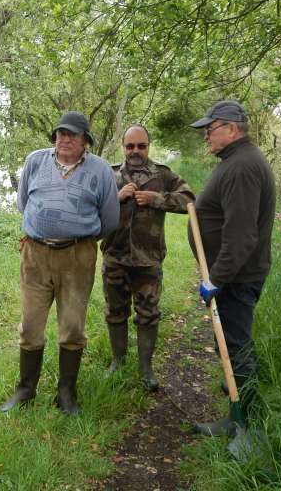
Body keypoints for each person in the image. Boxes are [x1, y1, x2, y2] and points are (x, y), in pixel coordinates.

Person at [0, 111, 120, 415]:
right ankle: (26, 390)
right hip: (35, 255)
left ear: (85, 141)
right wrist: (42, 230)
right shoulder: (35, 161)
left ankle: (66, 393)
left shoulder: (101, 170)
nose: (65, 139)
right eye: (61, 133)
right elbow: (23, 203)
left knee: (72, 326)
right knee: (30, 325)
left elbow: (109, 219)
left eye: (73, 135)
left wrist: (77, 237)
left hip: (78, 256)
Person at [187, 100, 275, 442]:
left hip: (237, 278)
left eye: (210, 130)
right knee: (235, 348)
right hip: (234, 276)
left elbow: (241, 235)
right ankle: (235, 415)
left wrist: (216, 279)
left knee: (238, 350)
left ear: (232, 129)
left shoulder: (241, 167)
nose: (206, 137)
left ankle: (248, 425)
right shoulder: (235, 161)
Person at [100, 125, 194, 391]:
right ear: (123, 147)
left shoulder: (162, 175)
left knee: (148, 314)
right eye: (130, 146)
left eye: (141, 146)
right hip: (115, 257)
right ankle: (118, 362)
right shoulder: (109, 174)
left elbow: (189, 200)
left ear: (148, 146)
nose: (135, 151)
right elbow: (91, 205)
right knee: (115, 312)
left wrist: (157, 199)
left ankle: (146, 369)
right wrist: (116, 198)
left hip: (148, 259)